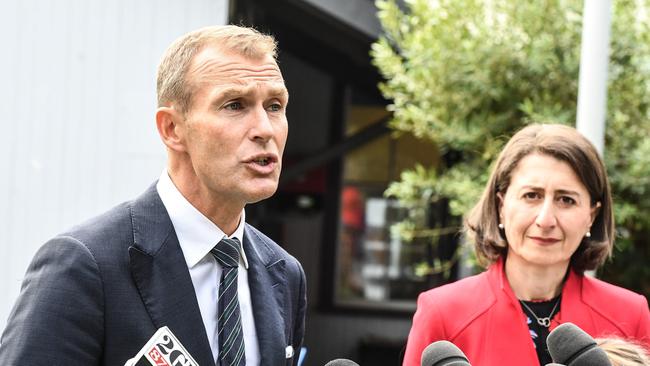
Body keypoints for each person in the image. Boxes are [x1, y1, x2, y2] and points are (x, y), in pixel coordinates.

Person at [0, 25, 306, 366]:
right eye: (235, 105)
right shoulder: (84, 265)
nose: (265, 129)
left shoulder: (284, 273)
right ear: (172, 129)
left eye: (275, 106)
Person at [402, 124, 650, 366]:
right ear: (501, 206)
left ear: (591, 216)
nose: (545, 220)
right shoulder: (443, 312)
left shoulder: (629, 315)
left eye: (566, 200)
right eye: (532, 195)